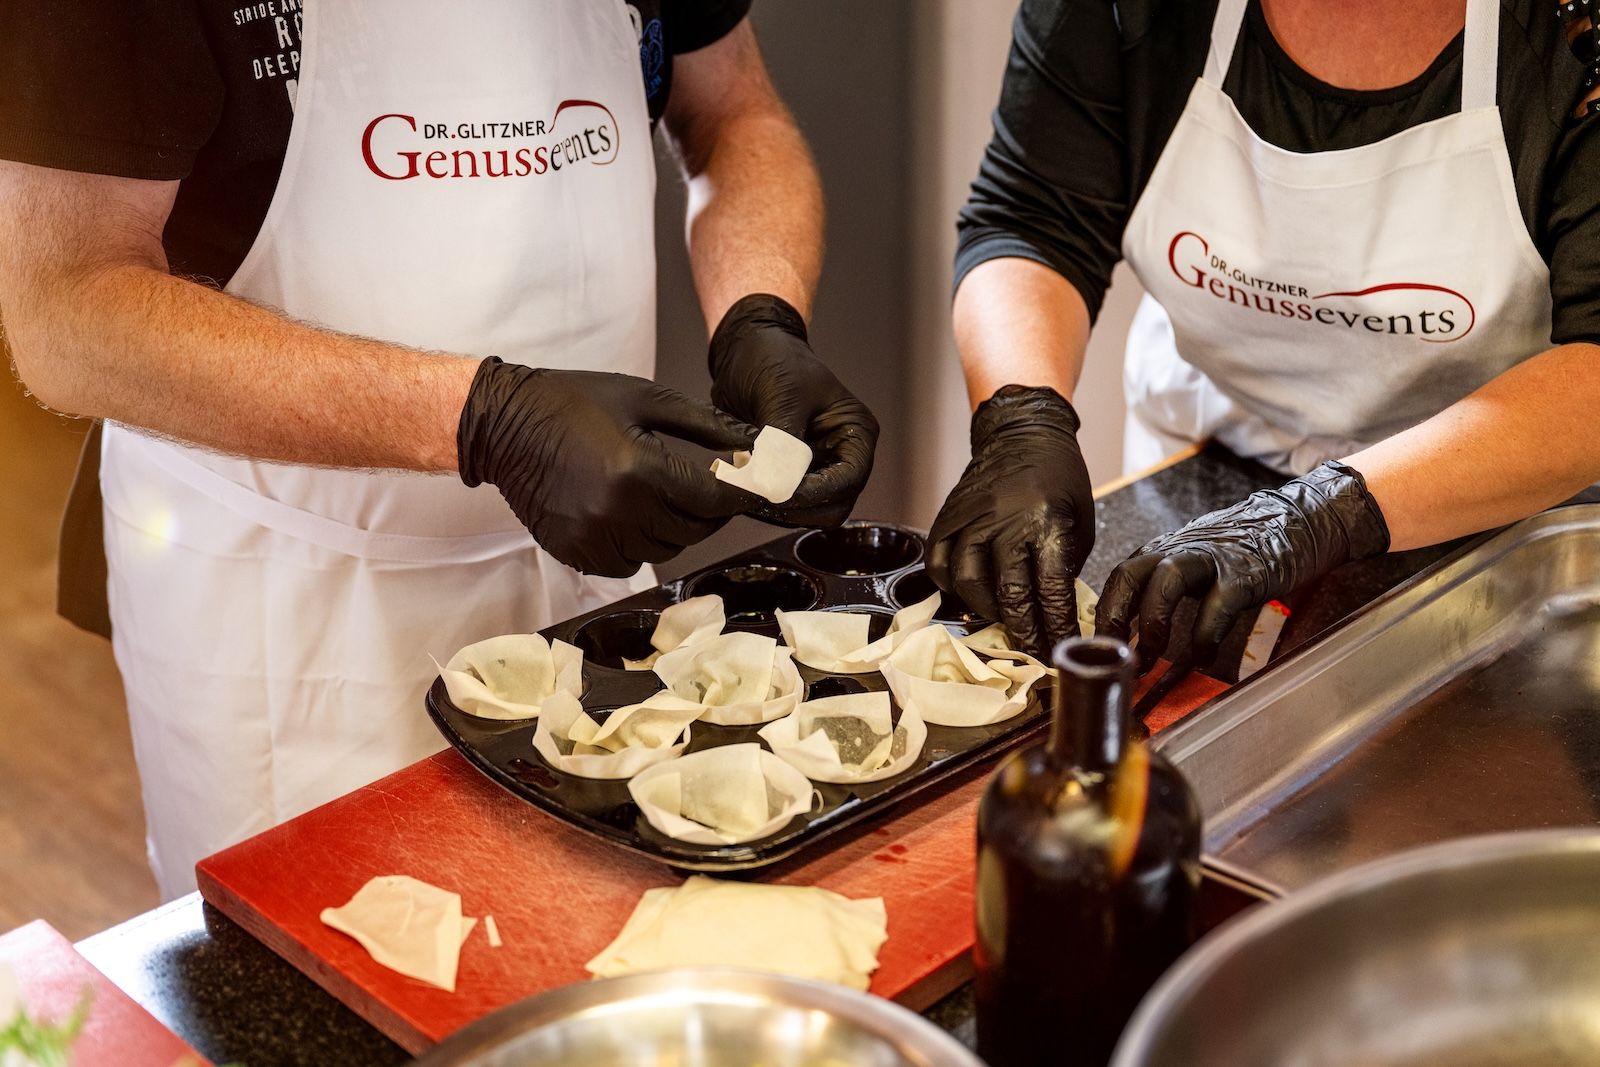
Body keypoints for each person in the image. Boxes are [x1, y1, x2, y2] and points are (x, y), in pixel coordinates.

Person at [0, 1, 877, 899]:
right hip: (297, 616)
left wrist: (760, 315)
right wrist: (483, 417)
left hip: (593, 584)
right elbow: (66, 306)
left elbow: (734, 111)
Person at [929, 0, 1600, 665]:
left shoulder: (1575, 33)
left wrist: (1328, 513)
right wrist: (1022, 417)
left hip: (1505, 506)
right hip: (1201, 468)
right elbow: (1034, 218)